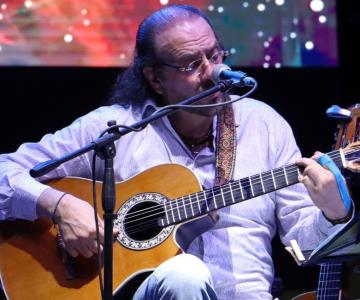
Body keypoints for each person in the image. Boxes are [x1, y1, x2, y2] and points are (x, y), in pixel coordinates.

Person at [0, 4, 353, 300]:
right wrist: (60, 206)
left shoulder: (263, 124)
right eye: (190, 64)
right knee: (185, 274)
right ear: (155, 78)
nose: (213, 73)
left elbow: (305, 247)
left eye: (214, 55)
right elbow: (5, 173)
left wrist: (334, 213)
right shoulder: (115, 129)